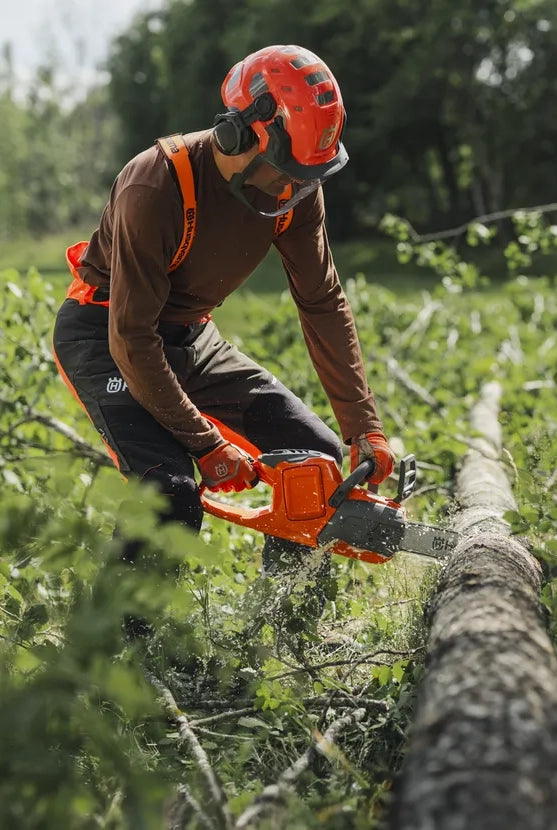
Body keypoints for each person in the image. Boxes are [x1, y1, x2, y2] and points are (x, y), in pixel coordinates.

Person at [52, 45, 394, 579]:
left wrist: (362, 428)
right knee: (170, 491)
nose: (294, 189)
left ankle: (284, 629)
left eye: (307, 177)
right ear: (239, 134)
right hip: (106, 334)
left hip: (188, 336)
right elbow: (132, 337)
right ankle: (119, 647)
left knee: (315, 465)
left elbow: (322, 301)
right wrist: (205, 444)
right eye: (286, 173)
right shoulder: (157, 185)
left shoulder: (299, 190)